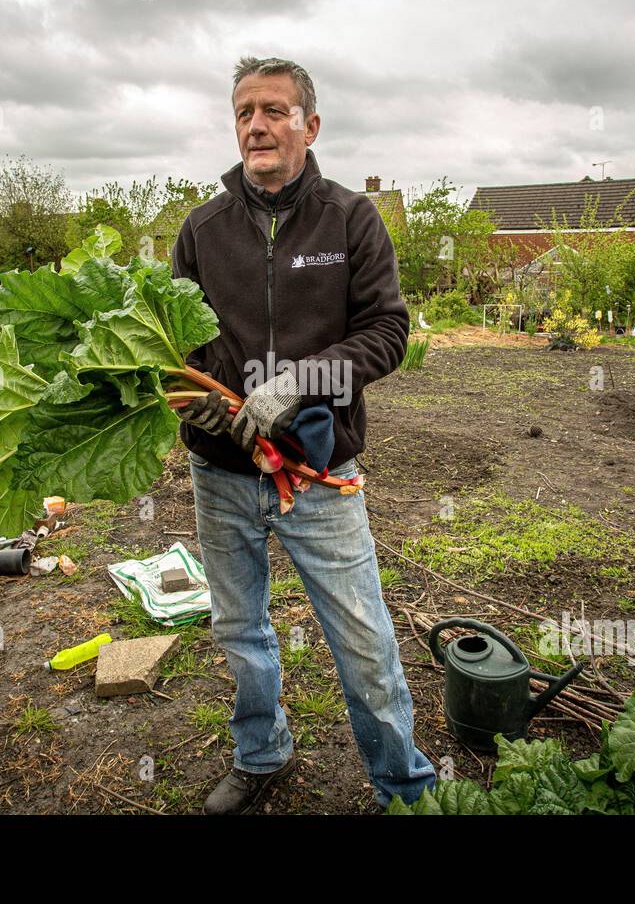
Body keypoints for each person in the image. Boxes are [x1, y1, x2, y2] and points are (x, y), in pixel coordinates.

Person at [170, 56, 436, 814]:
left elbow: (388, 331)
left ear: (309, 126)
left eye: (275, 110)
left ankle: (404, 787)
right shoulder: (201, 229)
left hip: (318, 472)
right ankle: (261, 754)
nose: (257, 124)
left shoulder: (351, 219)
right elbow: (178, 347)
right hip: (221, 473)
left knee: (363, 641)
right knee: (238, 629)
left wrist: (302, 380)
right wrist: (194, 398)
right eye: (245, 111)